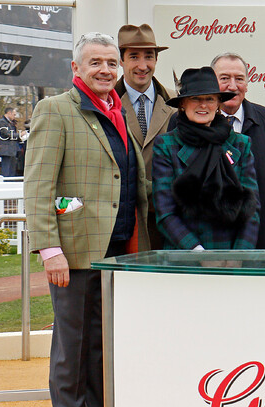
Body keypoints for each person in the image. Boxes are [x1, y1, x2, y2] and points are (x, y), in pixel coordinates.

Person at [24, 32, 151, 407]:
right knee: (72, 347)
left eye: (111, 63)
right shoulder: (55, 110)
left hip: (118, 250)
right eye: (95, 62)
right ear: (76, 69)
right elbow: (39, 186)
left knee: (101, 345)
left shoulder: (117, 113)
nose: (105, 70)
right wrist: (49, 249)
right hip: (75, 252)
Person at [152, 67, 260, 250]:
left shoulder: (241, 144)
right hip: (185, 258)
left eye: (210, 98)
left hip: (232, 260)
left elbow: (252, 211)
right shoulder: (165, 145)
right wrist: (198, 253)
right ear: (182, 104)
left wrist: (239, 256)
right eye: (195, 98)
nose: (203, 105)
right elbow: (165, 213)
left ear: (218, 103)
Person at [212, 52, 265, 249]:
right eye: (224, 78)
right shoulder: (191, 122)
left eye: (239, 79)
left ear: (247, 84)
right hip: (210, 240)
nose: (232, 86)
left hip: (260, 239)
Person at [115, 23, 175, 251]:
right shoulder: (105, 103)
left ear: (157, 59)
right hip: (122, 224)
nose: (143, 65)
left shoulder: (177, 102)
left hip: (166, 222)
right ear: (121, 60)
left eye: (149, 56)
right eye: (134, 57)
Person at [0, 107, 20, 177]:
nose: (14, 116)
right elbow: (7, 134)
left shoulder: (10, 123)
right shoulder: (2, 122)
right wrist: (19, 135)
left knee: (12, 170)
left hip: (11, 150)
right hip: (6, 150)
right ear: (9, 113)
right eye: (14, 114)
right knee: (6, 170)